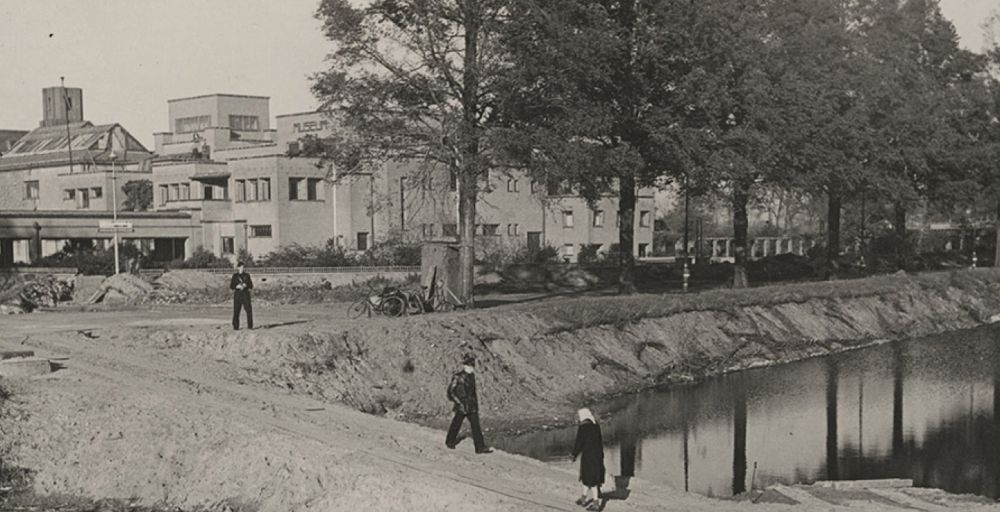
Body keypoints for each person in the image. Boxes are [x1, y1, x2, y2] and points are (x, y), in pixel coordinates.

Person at [445, 353, 493, 454]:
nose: (472, 368)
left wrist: (475, 405)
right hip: (462, 406)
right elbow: (450, 392)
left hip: (471, 406)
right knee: (456, 424)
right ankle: (449, 441)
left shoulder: (472, 377)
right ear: (465, 366)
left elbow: (473, 393)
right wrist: (459, 402)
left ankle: (480, 447)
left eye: (472, 366)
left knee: (476, 426)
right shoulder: (457, 377)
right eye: (470, 366)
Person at [572, 408, 605, 510]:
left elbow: (579, 442)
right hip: (597, 456)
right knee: (591, 478)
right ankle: (584, 497)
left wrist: (574, 454)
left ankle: (596, 503)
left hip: (588, 456)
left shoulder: (583, 427)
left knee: (589, 479)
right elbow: (600, 442)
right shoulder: (595, 426)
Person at [230, 261, 254, 330]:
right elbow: (231, 286)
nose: (242, 269)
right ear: (238, 268)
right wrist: (237, 286)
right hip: (237, 295)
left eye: (243, 267)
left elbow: (251, 285)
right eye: (241, 267)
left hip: (245, 294)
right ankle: (235, 326)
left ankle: (250, 326)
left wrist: (246, 285)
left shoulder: (247, 275)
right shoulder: (235, 276)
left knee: (249, 310)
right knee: (236, 311)